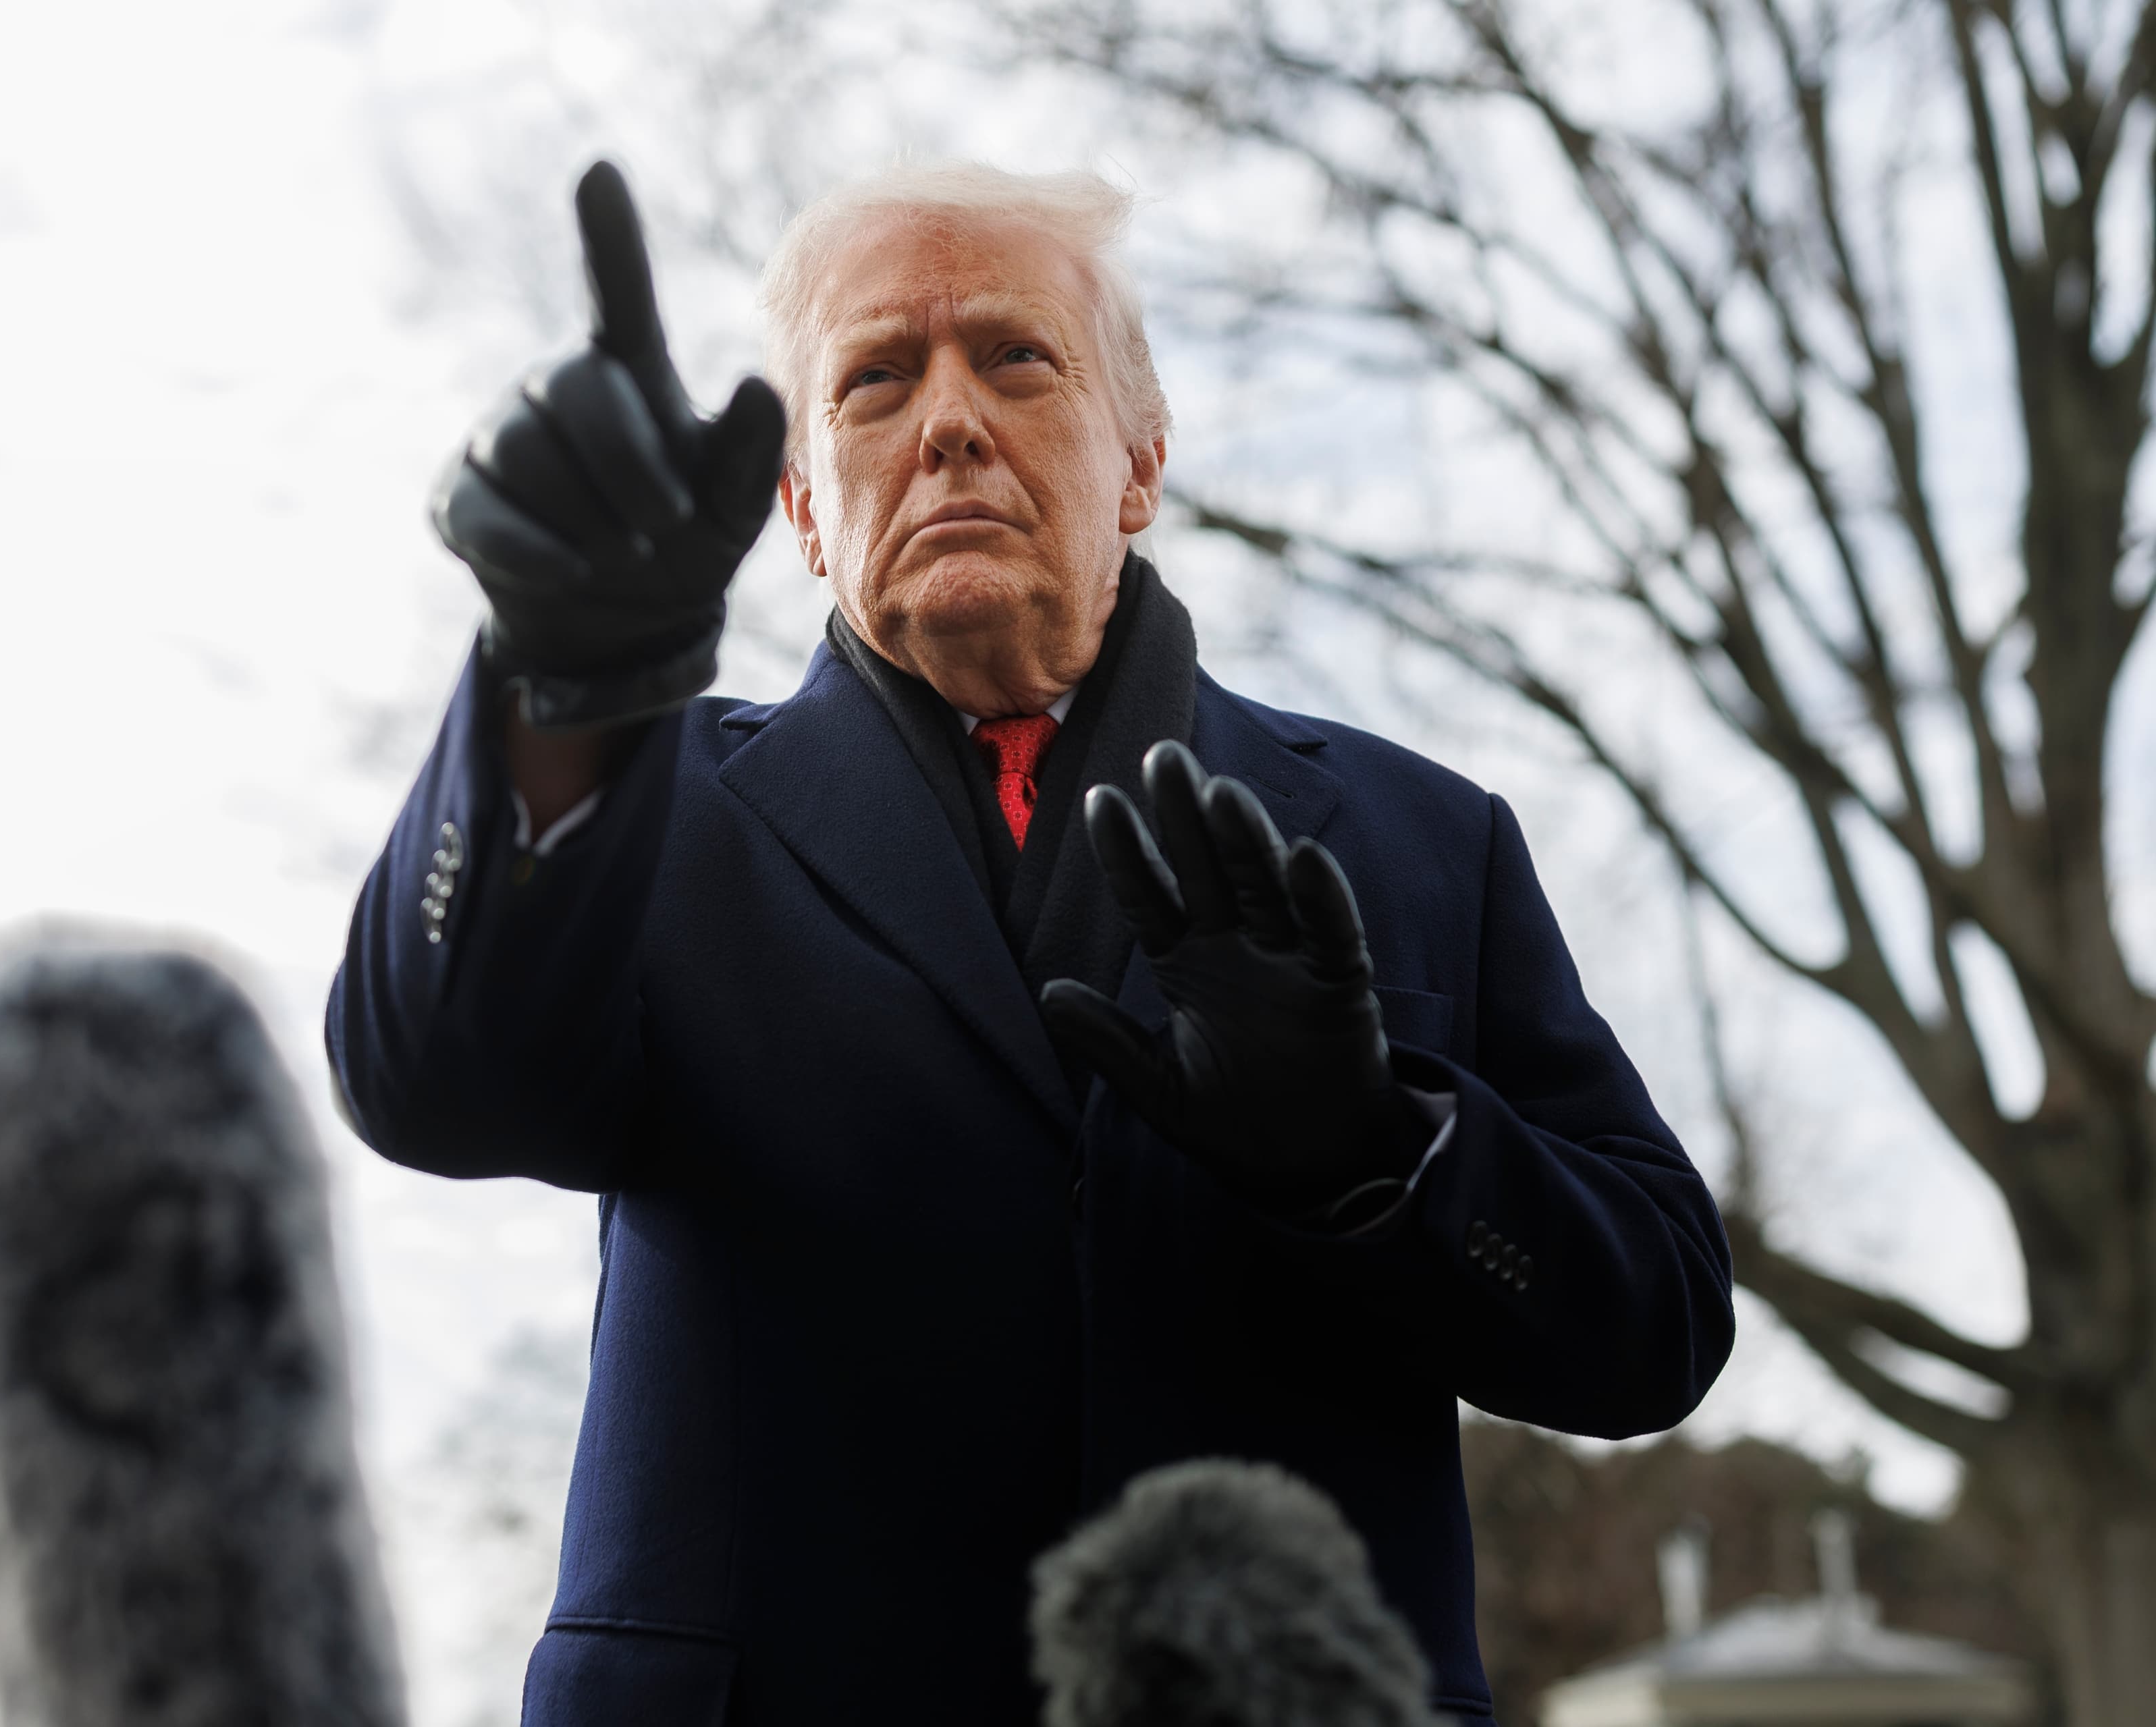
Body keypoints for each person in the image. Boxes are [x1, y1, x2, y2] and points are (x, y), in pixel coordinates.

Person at [328, 159, 1733, 1726]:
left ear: (1139, 457)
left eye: (1015, 356)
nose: (947, 419)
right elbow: (431, 1087)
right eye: (872, 380)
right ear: (801, 501)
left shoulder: (1423, 840)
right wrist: (559, 679)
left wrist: (1377, 1149)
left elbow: (1658, 1326)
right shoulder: (643, 813)